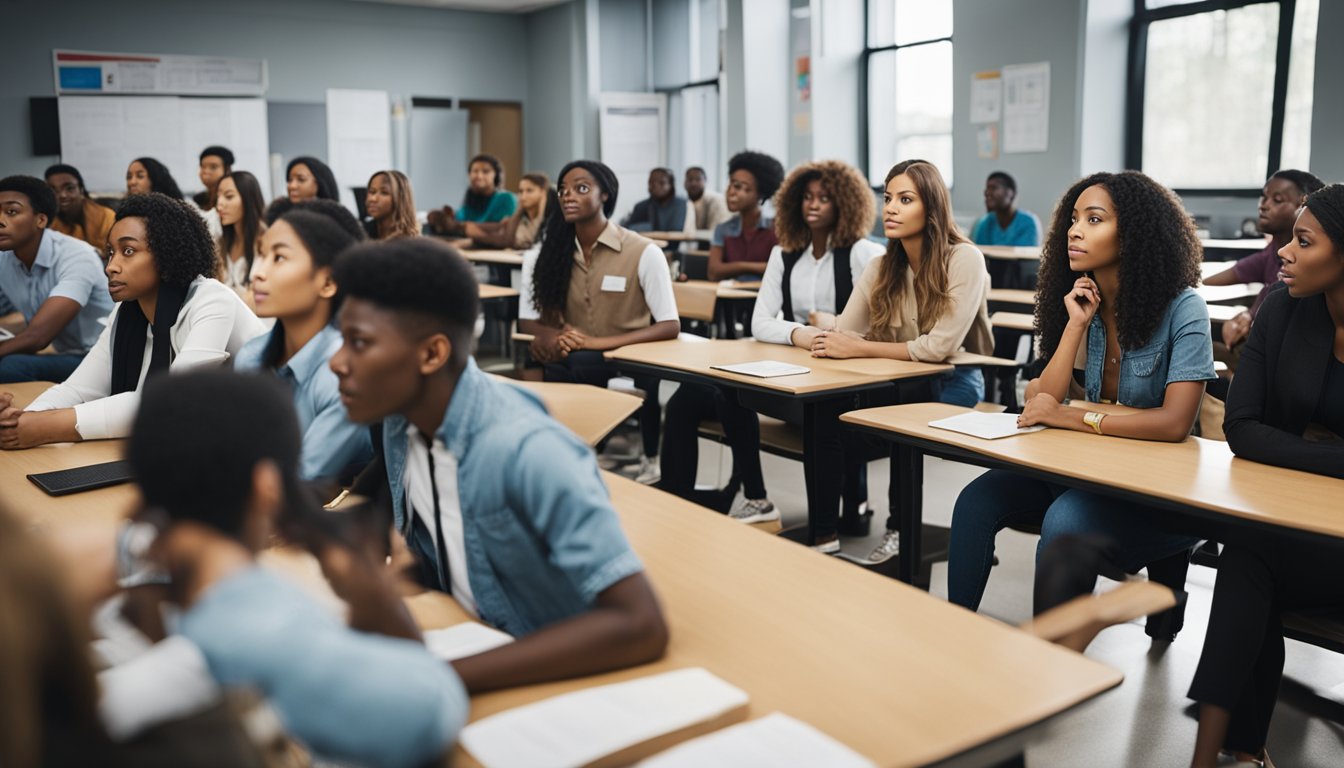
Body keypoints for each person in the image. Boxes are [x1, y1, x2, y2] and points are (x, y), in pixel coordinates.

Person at [329, 237, 669, 692]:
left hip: (554, 682)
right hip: (474, 640)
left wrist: (442, 678)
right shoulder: (401, 422)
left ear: (432, 354)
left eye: (359, 343)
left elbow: (642, 624)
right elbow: (447, 547)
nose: (336, 362)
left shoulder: (528, 450)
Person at [127, 369, 467, 766]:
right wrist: (385, 606)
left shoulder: (144, 599)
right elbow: (431, 707)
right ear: (268, 487)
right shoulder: (266, 633)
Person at [945, 170, 1215, 611]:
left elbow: (1173, 423)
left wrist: (1070, 415)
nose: (1074, 230)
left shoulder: (1184, 309)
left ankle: (1052, 665)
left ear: (1133, 234)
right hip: (1086, 472)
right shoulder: (1078, 299)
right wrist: (1075, 325)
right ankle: (954, 632)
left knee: (1066, 517)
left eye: (1094, 220)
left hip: (1153, 490)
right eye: (1074, 219)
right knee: (975, 500)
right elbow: (1040, 401)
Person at [1188, 184, 1344, 768]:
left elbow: (1263, 439)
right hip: (1297, 525)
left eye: (1303, 242)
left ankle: (1237, 749)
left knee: (1248, 566)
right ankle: (1225, 755)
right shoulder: (1282, 308)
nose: (1282, 253)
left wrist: (1297, 447)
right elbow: (1243, 428)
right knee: (1246, 559)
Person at [658, 160, 882, 525]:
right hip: (790, 371)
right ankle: (739, 498)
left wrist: (824, 329)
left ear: (844, 203)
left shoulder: (862, 253)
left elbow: (871, 327)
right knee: (693, 397)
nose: (813, 205)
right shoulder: (785, 253)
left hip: (842, 382)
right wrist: (800, 333)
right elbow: (760, 322)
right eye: (807, 197)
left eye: (824, 198)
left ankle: (833, 512)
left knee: (732, 395)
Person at [805, 159, 994, 559]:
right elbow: (845, 330)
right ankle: (823, 536)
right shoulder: (880, 266)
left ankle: (900, 530)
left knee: (899, 414)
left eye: (905, 199)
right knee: (822, 415)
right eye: (888, 198)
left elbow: (937, 348)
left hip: (955, 381)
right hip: (896, 382)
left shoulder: (964, 259)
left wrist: (861, 347)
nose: (890, 208)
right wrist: (816, 334)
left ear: (932, 208)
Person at [0, 193, 264, 449]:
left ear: (166, 254)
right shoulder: (127, 310)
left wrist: (44, 427)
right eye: (111, 252)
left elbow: (173, 401)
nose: (111, 266)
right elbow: (80, 387)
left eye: (128, 251)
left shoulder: (212, 299)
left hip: (257, 440)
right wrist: (22, 419)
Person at [517, 160, 679, 484]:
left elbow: (670, 325)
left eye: (581, 188)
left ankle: (612, 449)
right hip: (578, 352)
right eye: (563, 190)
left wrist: (596, 343)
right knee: (539, 356)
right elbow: (528, 322)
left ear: (605, 195)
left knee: (579, 361)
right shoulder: (554, 253)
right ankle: (552, 447)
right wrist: (555, 336)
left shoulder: (643, 251)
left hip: (632, 353)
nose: (568, 196)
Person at [235, 203, 371, 481]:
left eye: (279, 258)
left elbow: (298, 482)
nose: (256, 273)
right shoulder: (251, 355)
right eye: (261, 255)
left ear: (328, 282)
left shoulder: (343, 378)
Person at [0, 175, 114, 383]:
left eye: (11, 212)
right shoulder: (4, 258)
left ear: (40, 220)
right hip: (64, 353)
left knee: (10, 366)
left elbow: (37, 337)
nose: (1, 220)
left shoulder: (76, 256)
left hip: (100, 357)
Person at [1203, 169, 1325, 350]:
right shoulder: (1270, 253)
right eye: (1263, 197)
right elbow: (1210, 280)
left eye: (1277, 200)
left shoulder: (1313, 268)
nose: (1263, 205)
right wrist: (1248, 316)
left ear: (1303, 206)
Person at [708, 151, 786, 281]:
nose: (731, 192)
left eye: (740, 187)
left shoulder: (776, 228)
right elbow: (713, 272)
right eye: (731, 184)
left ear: (760, 194)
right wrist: (750, 267)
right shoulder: (723, 229)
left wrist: (732, 267)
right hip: (730, 298)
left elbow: (782, 269)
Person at [969, 171, 1043, 289]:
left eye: (994, 188)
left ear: (1011, 193)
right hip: (990, 282)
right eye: (987, 189)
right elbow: (978, 256)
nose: (987, 193)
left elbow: (1024, 262)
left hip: (1018, 285)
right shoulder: (985, 223)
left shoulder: (1029, 223)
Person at [127, 157, 221, 239]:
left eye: (140, 176)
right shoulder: (126, 212)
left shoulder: (182, 211)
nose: (132, 182)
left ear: (155, 179)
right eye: (129, 177)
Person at [462, 171, 556, 250]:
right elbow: (507, 240)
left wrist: (479, 235)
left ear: (543, 193)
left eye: (529, 191)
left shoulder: (552, 220)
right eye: (520, 191)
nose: (523, 196)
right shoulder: (520, 219)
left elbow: (536, 242)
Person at [214, 171, 266, 299]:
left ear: (249, 199)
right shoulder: (220, 243)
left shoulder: (266, 241)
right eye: (218, 197)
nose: (219, 205)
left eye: (229, 196)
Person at [45, 163, 116, 251]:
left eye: (69, 188)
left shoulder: (106, 216)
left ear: (81, 191)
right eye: (53, 190)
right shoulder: (45, 222)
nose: (62, 195)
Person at [623, 168, 695, 234]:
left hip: (676, 247)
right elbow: (629, 230)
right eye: (652, 182)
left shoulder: (683, 205)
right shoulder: (641, 206)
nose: (655, 186)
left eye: (661, 183)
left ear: (671, 185)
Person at [364, 170, 419, 240]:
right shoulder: (360, 234)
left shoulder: (412, 242)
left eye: (384, 193)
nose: (373, 199)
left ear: (400, 198)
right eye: (372, 192)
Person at [685, 166, 730, 232]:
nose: (693, 183)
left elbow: (715, 232)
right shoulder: (686, 202)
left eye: (698, 179)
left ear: (705, 181)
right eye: (690, 179)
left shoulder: (716, 200)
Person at [193, 145, 234, 212]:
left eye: (213, 167)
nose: (206, 171)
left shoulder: (233, 199)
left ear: (227, 170)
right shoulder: (198, 200)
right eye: (202, 166)